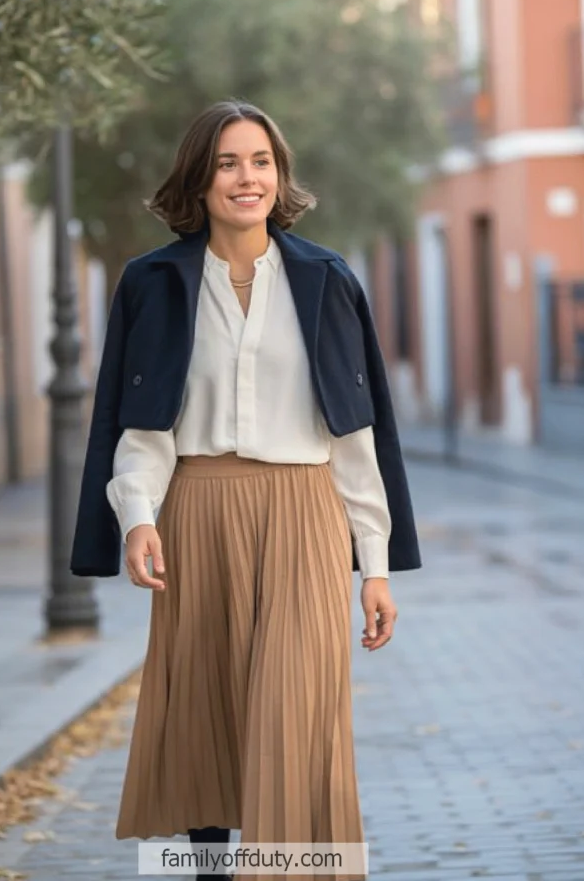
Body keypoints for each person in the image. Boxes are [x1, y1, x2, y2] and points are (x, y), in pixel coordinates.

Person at [70, 99, 421, 880]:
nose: (246, 177)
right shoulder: (152, 284)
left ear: (279, 175)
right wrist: (136, 518)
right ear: (198, 179)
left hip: (304, 513)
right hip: (196, 508)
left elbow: (355, 435)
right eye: (228, 162)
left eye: (259, 161)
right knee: (205, 709)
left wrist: (375, 567)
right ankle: (208, 872)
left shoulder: (326, 280)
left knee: (297, 712)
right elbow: (142, 426)